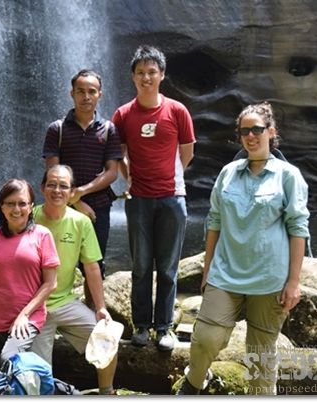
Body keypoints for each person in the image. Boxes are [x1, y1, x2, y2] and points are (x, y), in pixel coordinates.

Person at [178, 102, 310, 395]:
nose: (250, 136)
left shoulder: (288, 176)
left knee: (261, 356)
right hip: (226, 273)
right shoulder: (227, 173)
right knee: (206, 337)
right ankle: (195, 381)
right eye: (244, 131)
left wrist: (294, 281)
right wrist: (208, 267)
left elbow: (298, 228)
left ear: (271, 132)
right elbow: (214, 221)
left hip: (269, 280)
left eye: (257, 130)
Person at [112, 45, 196, 351]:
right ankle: (142, 326)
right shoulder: (123, 114)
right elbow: (118, 153)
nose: (146, 77)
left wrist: (169, 178)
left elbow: (187, 152)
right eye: (140, 72)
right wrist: (130, 177)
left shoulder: (177, 111)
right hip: (138, 199)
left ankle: (165, 328)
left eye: (152, 72)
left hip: (173, 197)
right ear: (133, 77)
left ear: (161, 75)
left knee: (169, 268)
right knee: (141, 266)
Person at [32, 164, 117, 395]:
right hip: (34, 308)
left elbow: (92, 268)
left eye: (63, 186)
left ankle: (106, 392)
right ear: (42, 188)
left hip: (65, 302)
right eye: (52, 184)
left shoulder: (81, 221)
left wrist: (100, 307)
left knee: (106, 338)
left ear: (72, 192)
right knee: (38, 376)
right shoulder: (30, 217)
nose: (57, 190)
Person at [42, 68, 122, 307]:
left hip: (98, 208)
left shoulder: (108, 130)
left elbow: (112, 172)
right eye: (81, 91)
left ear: (100, 95)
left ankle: (92, 317)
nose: (86, 96)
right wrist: (75, 202)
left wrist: (82, 192)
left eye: (91, 91)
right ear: (72, 94)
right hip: (61, 208)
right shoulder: (56, 129)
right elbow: (53, 174)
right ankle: (47, 313)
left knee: (94, 264)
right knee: (53, 261)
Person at [0, 179, 59, 386]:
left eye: (22, 203)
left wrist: (24, 315)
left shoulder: (42, 235)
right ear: (1, 207)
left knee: (9, 362)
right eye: (10, 203)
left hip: (27, 317)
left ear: (31, 207)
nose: (17, 209)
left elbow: (50, 283)